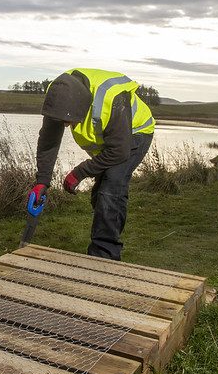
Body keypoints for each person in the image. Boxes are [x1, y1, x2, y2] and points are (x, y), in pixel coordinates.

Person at [26, 68, 154, 260]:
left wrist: (79, 172)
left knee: (111, 187)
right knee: (101, 195)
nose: (67, 126)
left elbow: (119, 151)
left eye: (68, 121)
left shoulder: (111, 98)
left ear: (82, 108)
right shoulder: (61, 93)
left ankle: (105, 256)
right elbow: (48, 142)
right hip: (111, 142)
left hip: (135, 133)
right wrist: (42, 181)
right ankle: (105, 233)